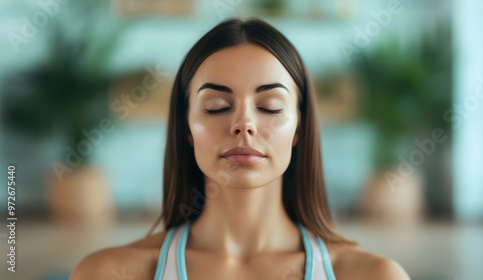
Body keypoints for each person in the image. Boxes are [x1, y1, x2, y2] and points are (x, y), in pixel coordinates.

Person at [70, 17, 410, 280]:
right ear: (186, 128)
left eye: (270, 107)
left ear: (299, 129)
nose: (243, 124)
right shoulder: (107, 273)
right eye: (217, 106)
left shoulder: (373, 275)